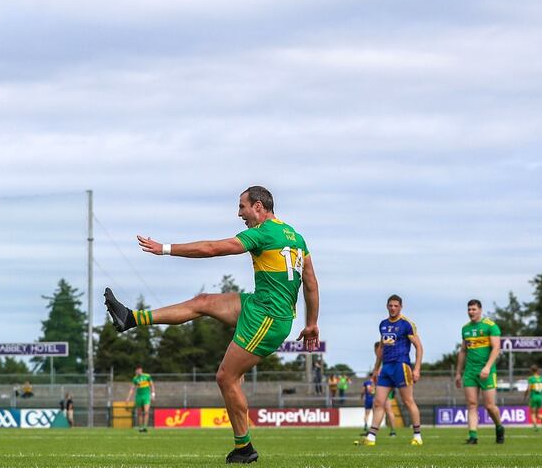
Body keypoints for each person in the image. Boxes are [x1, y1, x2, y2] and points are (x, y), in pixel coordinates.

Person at [105, 186, 320, 464]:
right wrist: (312, 322)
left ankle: (244, 448)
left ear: (258, 206)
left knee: (226, 378)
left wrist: (165, 249)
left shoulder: (263, 233)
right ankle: (131, 318)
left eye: (242, 206)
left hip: (269, 318)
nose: (239, 213)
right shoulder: (296, 237)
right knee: (204, 301)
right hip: (258, 305)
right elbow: (311, 283)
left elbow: (211, 248)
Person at [363, 294, 424, 446]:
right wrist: (376, 369)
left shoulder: (406, 324)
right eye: (390, 305)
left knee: (408, 401)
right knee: (378, 402)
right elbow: (381, 349)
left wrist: (416, 369)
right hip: (386, 368)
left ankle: (417, 435)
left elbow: (419, 347)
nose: (393, 308)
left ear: (401, 307)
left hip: (401, 365)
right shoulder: (383, 324)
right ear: (387, 306)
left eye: (396, 306)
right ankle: (371, 437)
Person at [456, 299, 505, 445]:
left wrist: (488, 367)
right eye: (469, 309)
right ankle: (473, 436)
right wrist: (458, 372)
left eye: (473, 309)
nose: (471, 312)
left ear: (480, 310)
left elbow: (496, 348)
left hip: (487, 371)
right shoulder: (465, 329)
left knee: (489, 406)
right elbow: (463, 351)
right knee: (471, 404)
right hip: (470, 371)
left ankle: (499, 426)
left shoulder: (491, 326)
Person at [126, 366, 155, 432]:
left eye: (138, 370)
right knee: (139, 413)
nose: (137, 371)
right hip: (139, 396)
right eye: (136, 370)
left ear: (141, 370)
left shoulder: (147, 376)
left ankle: (145, 427)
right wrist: (128, 398)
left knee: (146, 411)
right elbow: (132, 388)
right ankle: (141, 427)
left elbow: (152, 385)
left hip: (146, 395)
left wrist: (153, 394)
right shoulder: (135, 378)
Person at [525, 364, 542, 431]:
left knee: (532, 414)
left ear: (531, 371)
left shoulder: (530, 378)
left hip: (533, 396)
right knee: (538, 414)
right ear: (538, 370)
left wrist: (526, 394)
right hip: (540, 397)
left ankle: (535, 427)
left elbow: (529, 389)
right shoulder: (541, 378)